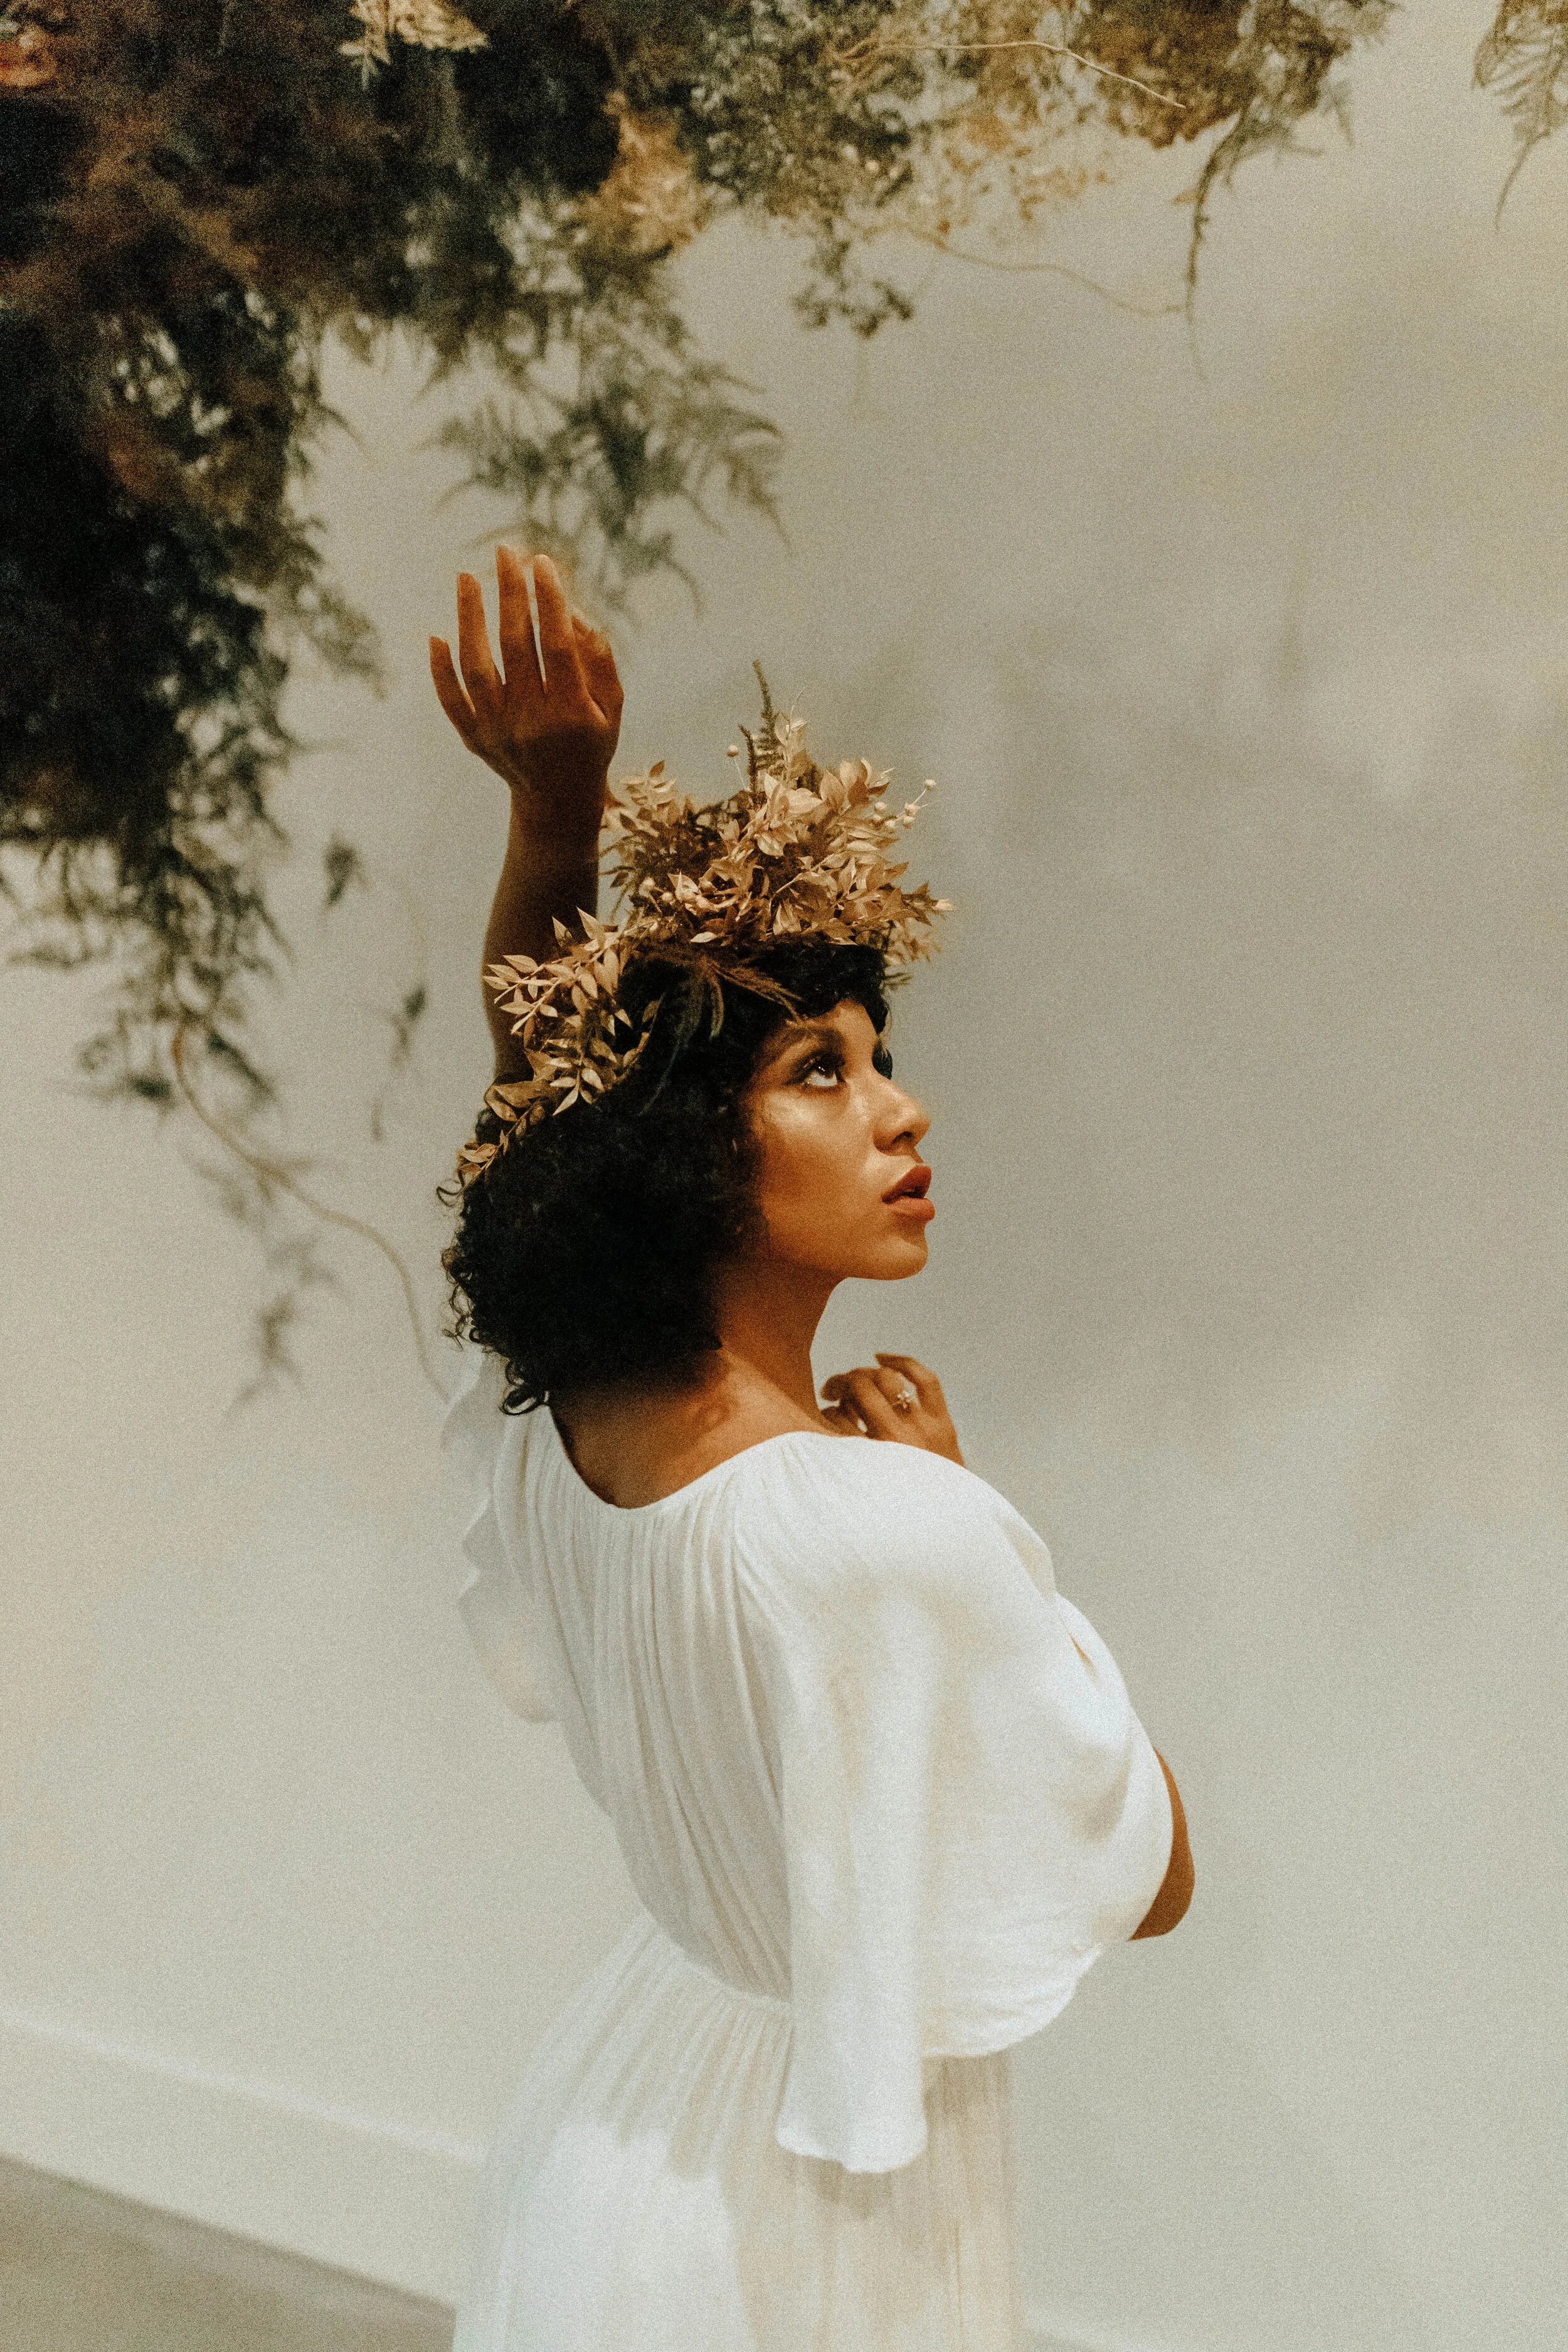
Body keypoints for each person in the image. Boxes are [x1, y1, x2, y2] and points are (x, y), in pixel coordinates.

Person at [429, 546, 1194, 2352]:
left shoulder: (561, 1419)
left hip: (627, 2138)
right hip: (806, 2219)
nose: (900, 1106)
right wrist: (966, 1513)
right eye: (819, 1071)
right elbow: (1148, 1874)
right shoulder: (883, 1530)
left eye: (877, 1054)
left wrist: (555, 821)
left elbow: (532, 1104)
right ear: (695, 1149)